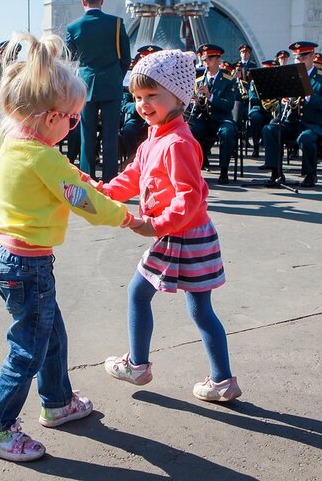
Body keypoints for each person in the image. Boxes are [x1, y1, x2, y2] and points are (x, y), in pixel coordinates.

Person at [0, 33, 141, 462]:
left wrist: (91, 183)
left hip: (13, 259)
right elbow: (79, 198)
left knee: (50, 334)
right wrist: (128, 218)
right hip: (27, 264)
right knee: (28, 348)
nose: (72, 126)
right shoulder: (42, 156)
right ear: (50, 116)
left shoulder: (19, 143)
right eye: (71, 119)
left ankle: (57, 401)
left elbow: (69, 176)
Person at [100, 49, 240, 404]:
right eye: (137, 98)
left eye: (151, 96)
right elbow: (135, 176)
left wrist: (155, 225)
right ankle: (222, 381)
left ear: (178, 96)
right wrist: (102, 191)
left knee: (139, 293)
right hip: (187, 234)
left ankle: (137, 364)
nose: (143, 105)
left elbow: (189, 197)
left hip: (179, 234)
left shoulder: (177, 142)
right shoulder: (156, 136)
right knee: (199, 308)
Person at [65, 0, 131, 182]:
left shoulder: (73, 27)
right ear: (101, 0)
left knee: (87, 134)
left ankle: (88, 177)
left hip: (85, 85)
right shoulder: (117, 23)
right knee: (111, 134)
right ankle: (111, 180)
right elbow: (126, 58)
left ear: (82, 1)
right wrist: (116, 76)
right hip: (111, 82)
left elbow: (70, 58)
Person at [261, 41, 322, 188]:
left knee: (306, 138)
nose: (299, 60)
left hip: (313, 125)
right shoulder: (290, 76)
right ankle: (276, 172)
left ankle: (310, 175)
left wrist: (309, 96)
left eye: (303, 57)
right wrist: (283, 101)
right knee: (269, 129)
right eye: (297, 58)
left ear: (313, 56)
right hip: (293, 122)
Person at [188, 44, 237, 183]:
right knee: (189, 131)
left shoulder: (229, 80)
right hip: (205, 119)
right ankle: (194, 169)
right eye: (204, 60)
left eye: (209, 59)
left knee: (227, 133)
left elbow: (228, 106)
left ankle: (224, 171)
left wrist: (210, 96)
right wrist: (195, 102)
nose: (206, 63)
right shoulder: (199, 80)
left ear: (218, 60)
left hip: (221, 119)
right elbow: (199, 108)